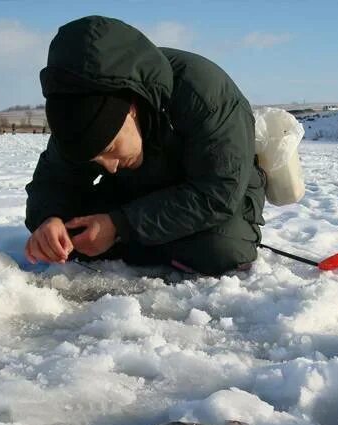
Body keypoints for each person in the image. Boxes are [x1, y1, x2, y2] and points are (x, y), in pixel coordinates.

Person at [24, 15, 266, 276]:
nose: (110, 167)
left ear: (131, 110)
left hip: (217, 193)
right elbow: (52, 180)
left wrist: (120, 225)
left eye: (109, 149)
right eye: (95, 160)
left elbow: (219, 191)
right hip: (136, 194)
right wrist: (50, 220)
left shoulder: (205, 93)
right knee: (74, 233)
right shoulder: (76, 115)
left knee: (221, 250)